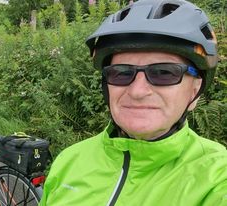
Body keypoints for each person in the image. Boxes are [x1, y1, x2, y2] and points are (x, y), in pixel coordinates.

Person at [40, 0, 227, 205]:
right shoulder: (69, 161)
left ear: (194, 91)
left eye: (164, 72)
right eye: (121, 73)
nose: (138, 91)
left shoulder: (217, 176)